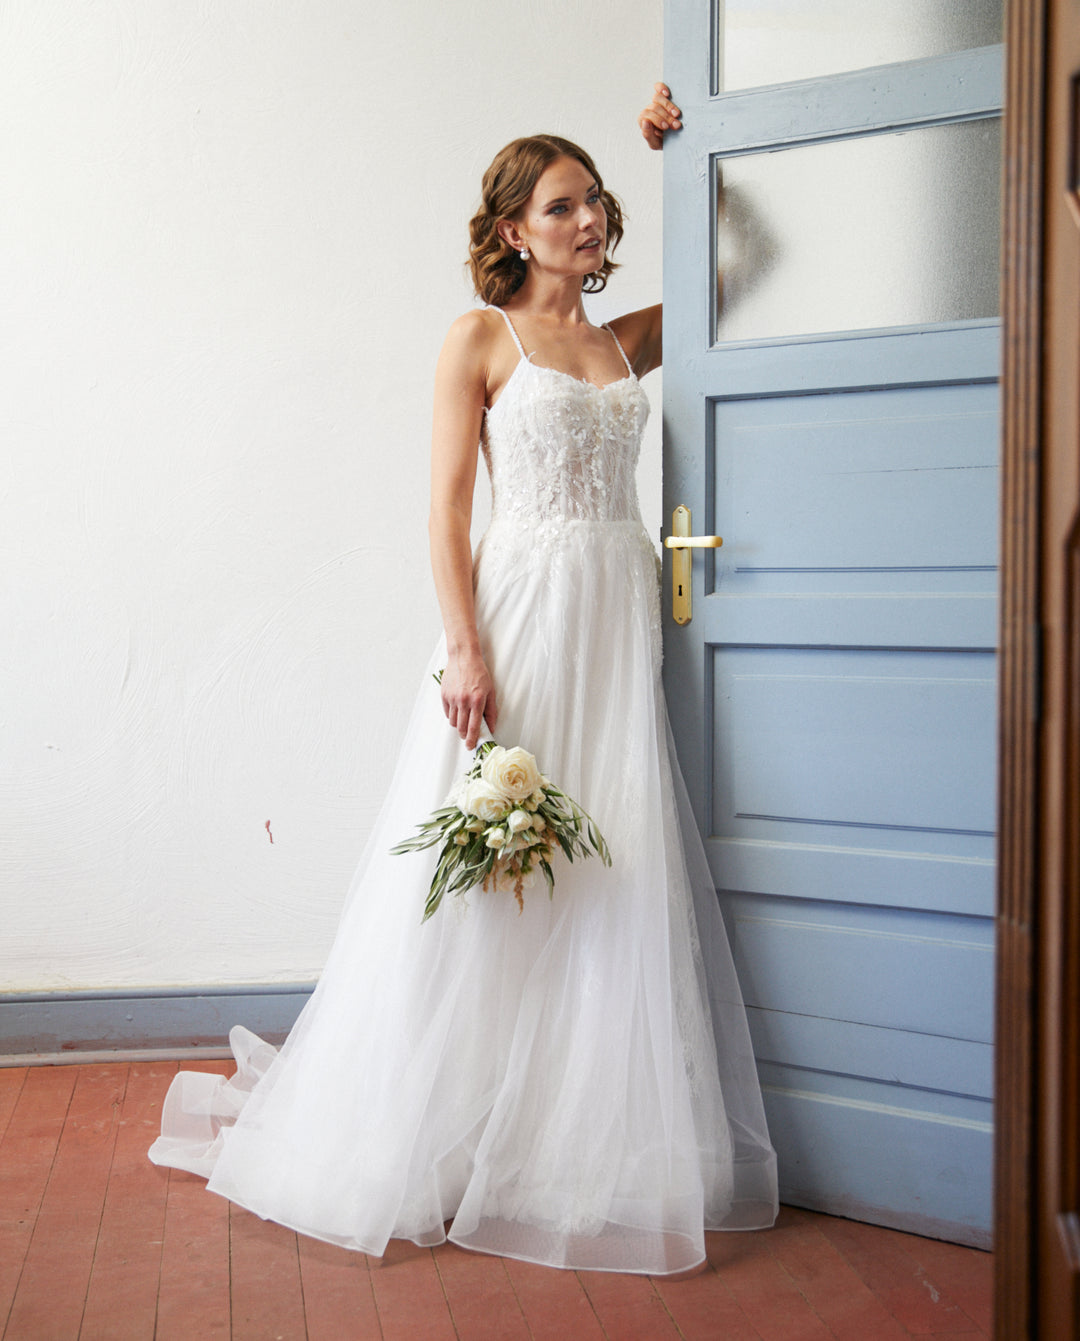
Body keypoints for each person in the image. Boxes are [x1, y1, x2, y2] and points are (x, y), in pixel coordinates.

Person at [149, 87, 777, 1277]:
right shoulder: (480, 339)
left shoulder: (620, 340)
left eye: (597, 199)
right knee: (493, 871)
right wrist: (467, 648)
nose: (590, 218)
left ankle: (560, 1136)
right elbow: (443, 512)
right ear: (511, 233)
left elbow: (751, 263)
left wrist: (681, 153)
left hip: (613, 619)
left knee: (606, 860)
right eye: (564, 204)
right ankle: (427, 1124)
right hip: (520, 617)